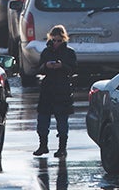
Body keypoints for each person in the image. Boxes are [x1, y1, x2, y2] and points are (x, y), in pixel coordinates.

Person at [33, 25, 78, 158]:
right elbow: (38, 69)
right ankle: (43, 145)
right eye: (54, 40)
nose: (56, 43)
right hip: (47, 89)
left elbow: (74, 69)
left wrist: (62, 66)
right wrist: (46, 66)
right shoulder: (46, 52)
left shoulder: (69, 53)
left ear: (64, 39)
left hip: (62, 88)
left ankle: (62, 148)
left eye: (59, 40)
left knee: (62, 122)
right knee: (42, 120)